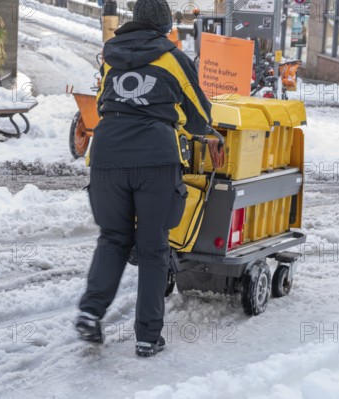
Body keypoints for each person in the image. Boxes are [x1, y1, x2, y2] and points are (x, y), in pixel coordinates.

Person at [76, 0, 212, 357]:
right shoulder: (174, 58)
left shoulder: (111, 54)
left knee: (113, 238)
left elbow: (105, 101)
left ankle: (90, 313)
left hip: (106, 157)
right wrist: (176, 121)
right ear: (166, 25)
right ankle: (148, 337)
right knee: (152, 246)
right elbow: (200, 117)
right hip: (154, 159)